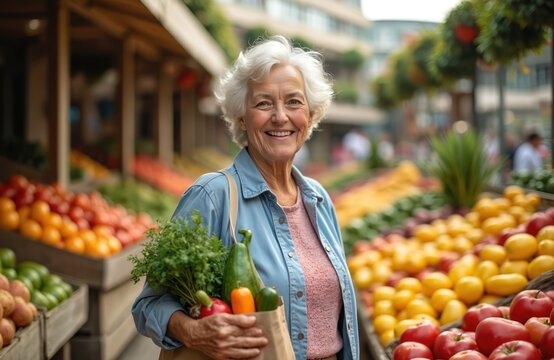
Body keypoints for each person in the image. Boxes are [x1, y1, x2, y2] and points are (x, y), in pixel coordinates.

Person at [132, 35, 359, 360]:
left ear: (309, 117)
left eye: (293, 102)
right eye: (264, 103)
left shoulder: (319, 199)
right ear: (242, 117)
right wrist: (194, 331)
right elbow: (149, 306)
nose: (280, 116)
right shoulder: (213, 196)